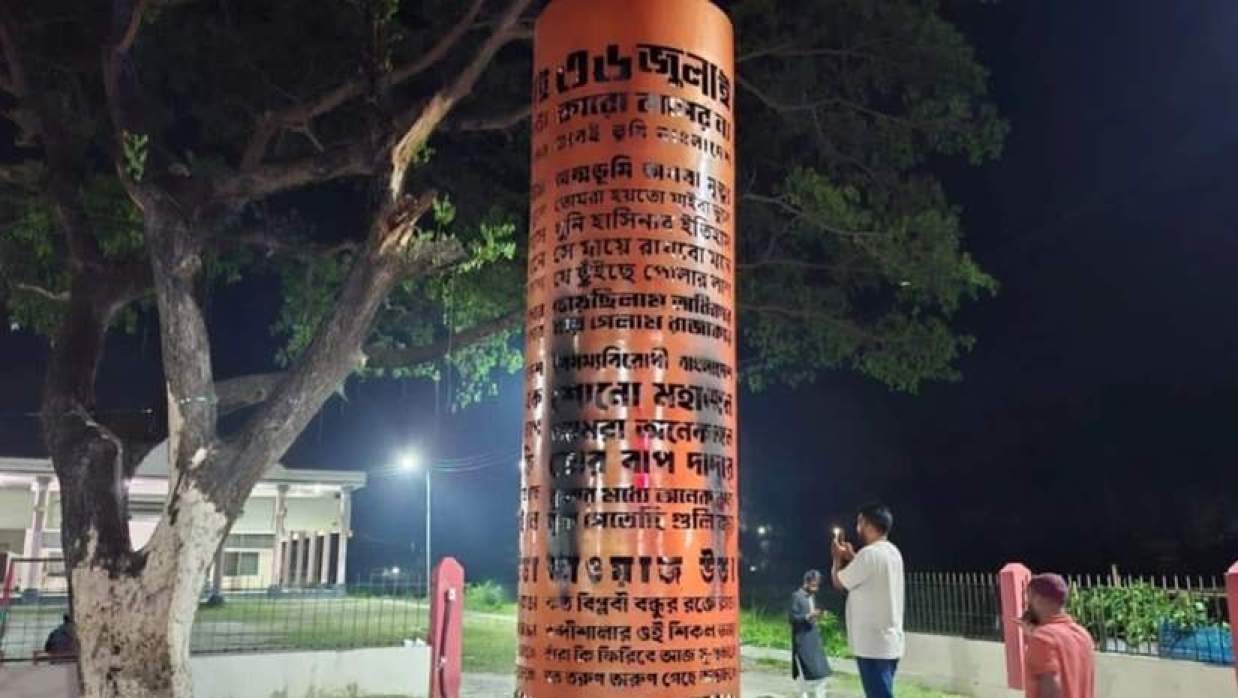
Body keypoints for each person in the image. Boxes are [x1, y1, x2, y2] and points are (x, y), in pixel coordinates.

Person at [831, 503, 904, 698]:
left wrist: (837, 558)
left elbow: (839, 582)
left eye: (860, 523)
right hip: (890, 642)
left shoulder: (869, 554)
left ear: (869, 525)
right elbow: (870, 572)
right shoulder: (893, 552)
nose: (858, 528)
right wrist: (852, 556)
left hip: (872, 645)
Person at [1018, 573, 1095, 698]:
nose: (1027, 605)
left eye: (1029, 599)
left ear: (1039, 599)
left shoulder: (1043, 638)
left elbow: (1051, 691)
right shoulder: (1083, 635)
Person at [790, 569, 833, 697]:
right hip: (802, 642)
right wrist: (808, 616)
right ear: (806, 582)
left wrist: (817, 616)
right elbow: (792, 619)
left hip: (814, 640)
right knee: (803, 676)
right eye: (814, 585)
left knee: (821, 673)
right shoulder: (796, 597)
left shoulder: (811, 596)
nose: (816, 588)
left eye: (817, 585)